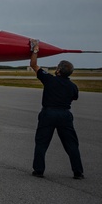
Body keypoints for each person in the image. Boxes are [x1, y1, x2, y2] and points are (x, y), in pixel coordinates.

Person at [29, 40, 82, 179]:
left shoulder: (49, 79)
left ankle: (39, 171)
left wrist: (35, 50)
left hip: (48, 113)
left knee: (41, 143)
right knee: (71, 145)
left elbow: (33, 65)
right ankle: (78, 172)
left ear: (58, 70)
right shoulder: (73, 86)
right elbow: (75, 98)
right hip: (65, 115)